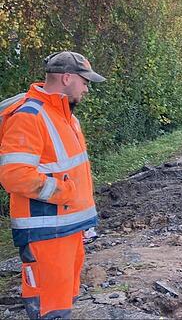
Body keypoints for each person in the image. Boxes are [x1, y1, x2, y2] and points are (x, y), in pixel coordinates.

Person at [0, 51, 105, 320]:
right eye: (84, 81)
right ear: (67, 78)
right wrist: (65, 192)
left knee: (62, 304)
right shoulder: (29, 116)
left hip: (67, 230)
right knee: (50, 309)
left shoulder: (67, 117)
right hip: (45, 234)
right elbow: (14, 175)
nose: (87, 88)